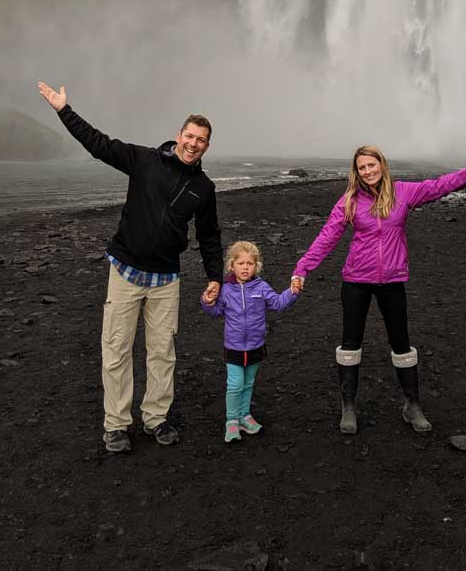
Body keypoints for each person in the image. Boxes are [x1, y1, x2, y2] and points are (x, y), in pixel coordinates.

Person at [37, 81, 223, 455]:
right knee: (117, 350)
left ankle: (155, 417)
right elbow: (99, 144)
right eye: (190, 136)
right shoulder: (143, 160)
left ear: (206, 145)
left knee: (161, 352)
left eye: (201, 140)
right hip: (125, 270)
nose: (193, 143)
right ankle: (116, 425)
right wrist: (63, 110)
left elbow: (209, 236)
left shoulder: (204, 188)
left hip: (166, 279)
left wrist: (215, 276)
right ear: (178, 135)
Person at [289, 143, 466, 435]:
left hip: (392, 281)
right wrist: (303, 268)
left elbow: (441, 186)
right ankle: (349, 406)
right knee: (350, 345)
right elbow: (327, 236)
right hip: (356, 281)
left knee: (401, 344)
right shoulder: (349, 200)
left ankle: (412, 405)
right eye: (362, 168)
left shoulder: (403, 192)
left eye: (371, 165)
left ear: (382, 164)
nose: (367, 171)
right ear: (356, 172)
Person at [201, 240, 299, 443]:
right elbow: (216, 311)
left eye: (250, 263)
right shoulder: (226, 290)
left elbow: (277, 304)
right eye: (241, 263)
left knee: (248, 383)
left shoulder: (261, 287)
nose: (245, 267)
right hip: (234, 346)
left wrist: (292, 292)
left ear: (257, 266)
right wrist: (207, 302)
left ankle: (244, 416)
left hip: (255, 344)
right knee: (235, 385)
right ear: (232, 265)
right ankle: (231, 421)